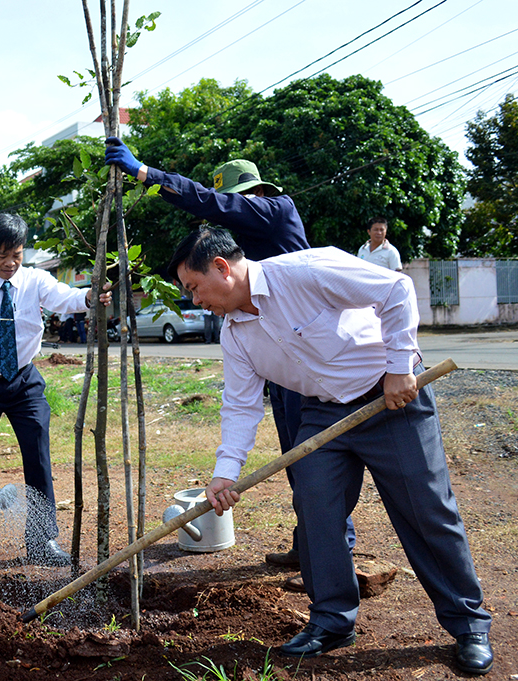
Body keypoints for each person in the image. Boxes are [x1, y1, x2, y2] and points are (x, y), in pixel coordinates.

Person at [167, 227, 493, 675]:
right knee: (316, 506)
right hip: (322, 414)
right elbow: (241, 406)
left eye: (194, 287)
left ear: (221, 268)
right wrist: (226, 472)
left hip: (389, 398)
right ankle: (332, 620)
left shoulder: (306, 270)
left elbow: (395, 289)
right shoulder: (235, 335)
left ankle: (468, 624)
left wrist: (399, 367)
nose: (194, 300)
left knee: (426, 509)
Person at [105, 137, 355, 583]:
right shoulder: (247, 250)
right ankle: (310, 543)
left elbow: (215, 207)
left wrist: (147, 175)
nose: (231, 215)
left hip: (314, 359)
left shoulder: (277, 212)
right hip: (276, 355)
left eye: (235, 203)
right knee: (299, 457)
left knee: (318, 460)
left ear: (254, 195)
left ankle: (336, 551)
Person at [0, 213, 110, 574]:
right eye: (2, 255)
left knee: (37, 453)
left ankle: (42, 541)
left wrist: (89, 296)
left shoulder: (34, 280)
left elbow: (65, 298)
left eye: (16, 254)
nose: (10, 263)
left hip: (23, 380)